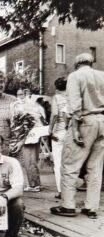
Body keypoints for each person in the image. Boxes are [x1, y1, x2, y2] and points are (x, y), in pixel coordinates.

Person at [51, 53, 104, 219]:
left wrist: (74, 129)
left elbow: (74, 105)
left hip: (84, 122)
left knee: (70, 165)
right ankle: (91, 207)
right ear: (90, 62)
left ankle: (67, 205)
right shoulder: (102, 75)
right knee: (95, 168)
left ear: (76, 64)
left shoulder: (75, 76)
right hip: (102, 121)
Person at [10, 88, 44, 192]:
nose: (19, 97)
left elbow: (25, 119)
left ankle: (34, 184)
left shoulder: (23, 105)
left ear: (26, 94)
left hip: (29, 135)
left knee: (29, 159)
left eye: (21, 94)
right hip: (35, 134)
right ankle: (36, 182)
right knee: (33, 159)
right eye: (17, 94)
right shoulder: (33, 104)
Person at [48, 77, 68, 199]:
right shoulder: (72, 97)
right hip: (70, 132)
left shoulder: (56, 98)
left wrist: (50, 129)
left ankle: (61, 191)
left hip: (59, 132)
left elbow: (55, 113)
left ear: (56, 87)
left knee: (58, 163)